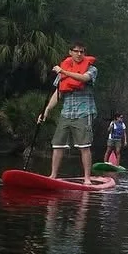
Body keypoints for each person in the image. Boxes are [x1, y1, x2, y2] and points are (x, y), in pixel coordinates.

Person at [37, 41, 98, 185]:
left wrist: (63, 72)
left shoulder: (92, 69)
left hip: (84, 112)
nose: (79, 54)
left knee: (84, 146)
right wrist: (46, 110)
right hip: (66, 113)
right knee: (57, 145)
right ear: (70, 52)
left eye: (82, 52)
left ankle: (87, 178)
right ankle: (53, 175)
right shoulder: (63, 69)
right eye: (76, 51)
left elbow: (84, 78)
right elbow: (58, 93)